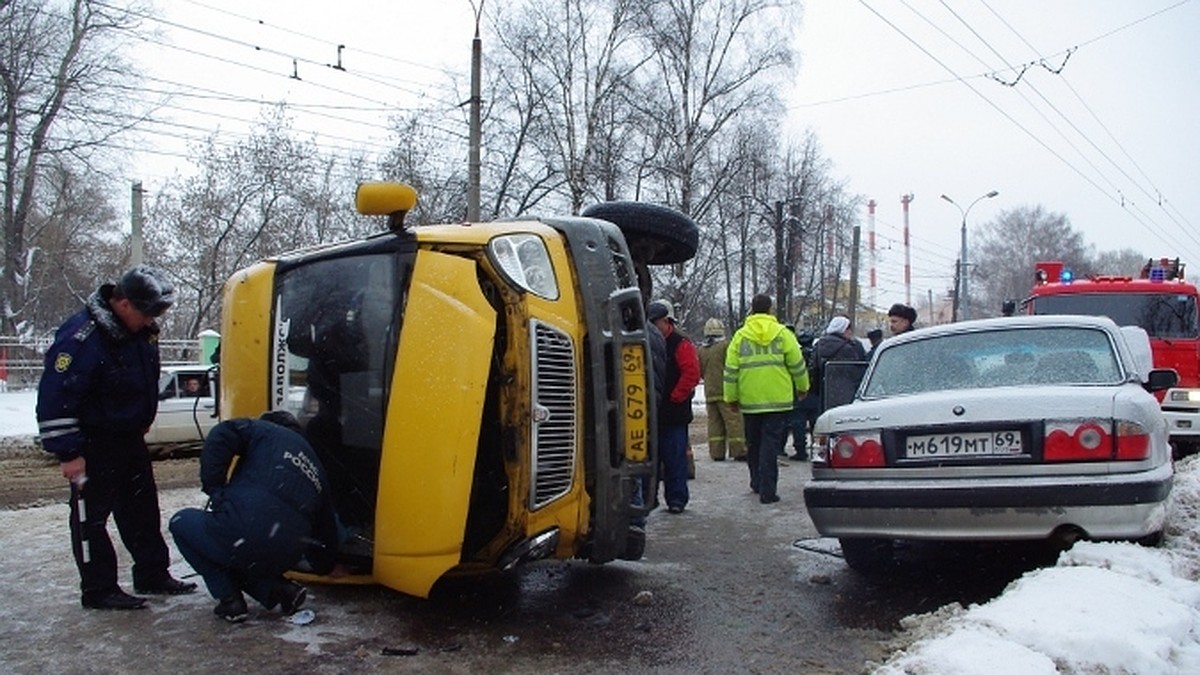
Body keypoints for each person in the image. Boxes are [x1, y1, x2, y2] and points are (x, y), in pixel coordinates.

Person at [36, 265, 198, 610]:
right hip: (92, 442)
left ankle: (152, 573)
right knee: (90, 519)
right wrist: (68, 453)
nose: (153, 319)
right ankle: (99, 589)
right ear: (122, 303)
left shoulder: (139, 332)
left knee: (141, 509)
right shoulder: (82, 338)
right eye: (149, 312)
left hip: (128, 438)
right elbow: (56, 396)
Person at [169, 411, 340, 623]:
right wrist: (325, 566)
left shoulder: (264, 431)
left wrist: (215, 488)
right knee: (240, 551)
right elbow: (326, 529)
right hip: (287, 555)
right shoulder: (317, 467)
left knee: (181, 524)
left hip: (246, 531)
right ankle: (278, 589)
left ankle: (230, 599)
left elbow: (222, 433)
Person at [724, 294, 809, 504]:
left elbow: (731, 370)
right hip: (777, 400)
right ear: (770, 309)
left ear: (751, 309)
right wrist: (803, 388)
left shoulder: (740, 336)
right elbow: (797, 364)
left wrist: (731, 398)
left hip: (750, 401)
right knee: (770, 444)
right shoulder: (782, 334)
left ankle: (756, 482)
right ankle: (768, 490)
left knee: (753, 443)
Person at [646, 299, 700, 514]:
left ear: (666, 321)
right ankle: (651, 499)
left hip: (673, 414)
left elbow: (691, 374)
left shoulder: (680, 343)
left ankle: (676, 499)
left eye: (655, 322)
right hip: (656, 412)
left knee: (675, 459)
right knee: (651, 461)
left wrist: (675, 397)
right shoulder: (649, 340)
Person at [697, 318, 746, 462]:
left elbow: (700, 371)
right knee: (734, 422)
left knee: (714, 423)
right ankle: (739, 451)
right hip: (726, 391)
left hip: (709, 391)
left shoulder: (701, 350)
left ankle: (716, 453)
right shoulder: (726, 346)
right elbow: (732, 366)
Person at [788, 328, 821, 461]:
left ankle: (801, 450)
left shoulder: (797, 355)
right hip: (815, 394)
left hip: (800, 394)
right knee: (816, 424)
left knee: (798, 424)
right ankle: (818, 450)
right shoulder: (816, 354)